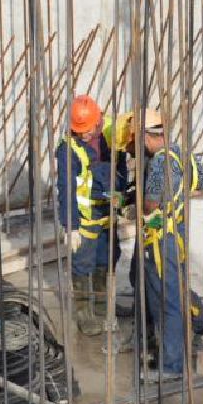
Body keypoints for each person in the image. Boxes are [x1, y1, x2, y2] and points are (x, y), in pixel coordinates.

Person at [135, 109, 201, 382]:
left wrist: (137, 209)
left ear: (148, 136)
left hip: (163, 237)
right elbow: (200, 183)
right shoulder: (181, 154)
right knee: (171, 291)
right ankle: (186, 338)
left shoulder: (159, 163)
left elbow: (150, 202)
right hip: (179, 231)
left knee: (167, 299)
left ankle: (172, 364)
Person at [55, 95, 129, 335]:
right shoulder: (68, 149)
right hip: (86, 219)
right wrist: (70, 226)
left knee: (106, 261)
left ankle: (102, 306)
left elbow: (120, 167)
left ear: (98, 121)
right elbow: (66, 188)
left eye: (88, 130)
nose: (84, 135)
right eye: (80, 131)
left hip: (107, 214)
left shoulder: (110, 134)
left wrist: (122, 194)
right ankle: (85, 314)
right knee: (82, 265)